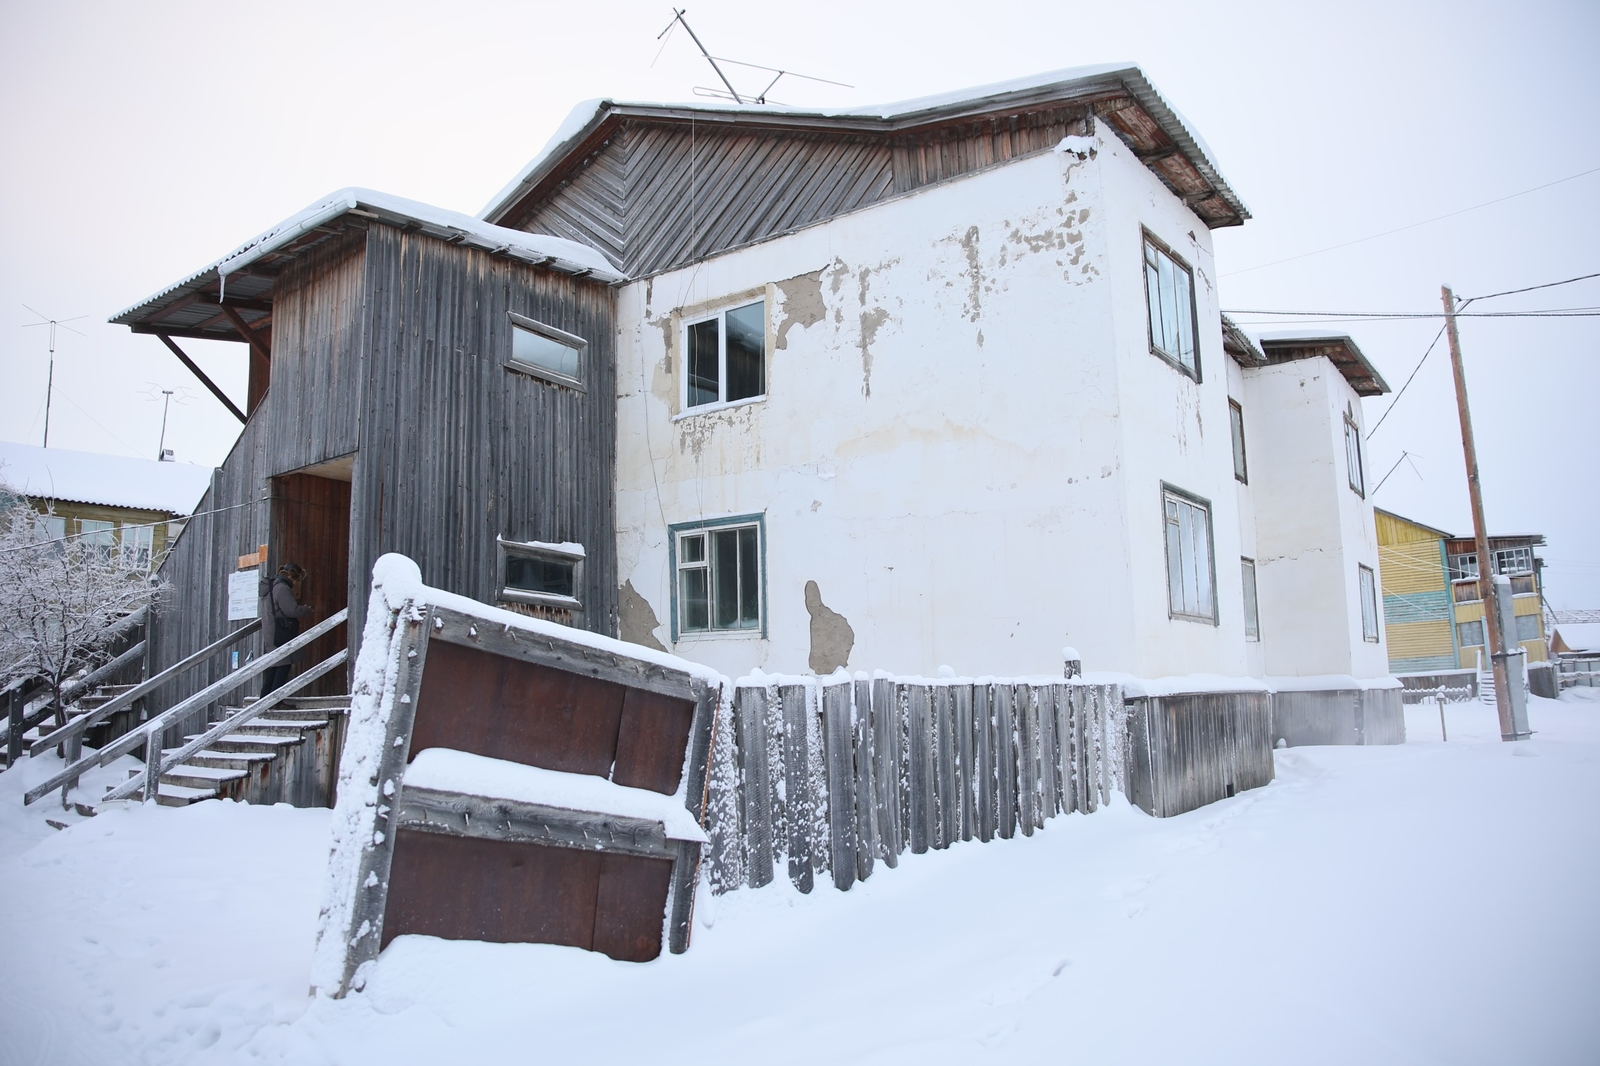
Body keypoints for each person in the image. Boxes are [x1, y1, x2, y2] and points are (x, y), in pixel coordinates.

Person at [259, 562, 312, 697]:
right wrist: (306, 609)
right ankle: (275, 701)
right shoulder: (282, 588)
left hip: (272, 632)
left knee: (276, 666)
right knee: (283, 666)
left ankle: (264, 698)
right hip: (280, 633)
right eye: (298, 581)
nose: (296, 584)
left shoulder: (272, 588)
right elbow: (291, 610)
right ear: (294, 577)